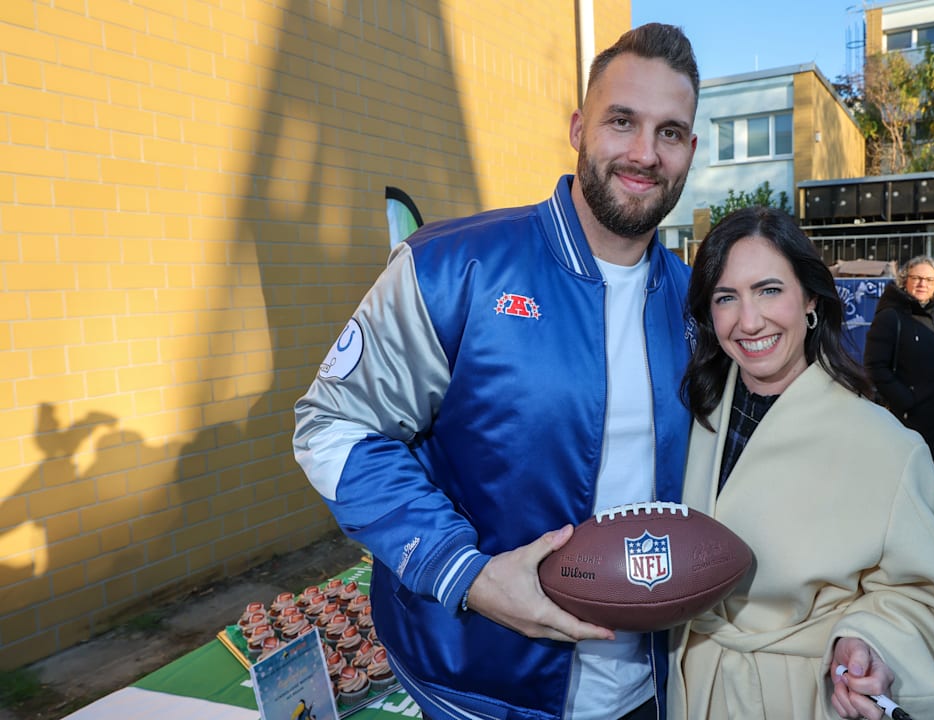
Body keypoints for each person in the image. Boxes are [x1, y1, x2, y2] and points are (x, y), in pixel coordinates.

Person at [293, 24, 700, 720]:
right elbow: (331, 426)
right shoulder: (454, 267)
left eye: (669, 132)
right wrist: (468, 574)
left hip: (654, 693)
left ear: (690, 150)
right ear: (578, 127)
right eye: (622, 121)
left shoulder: (699, 307)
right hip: (479, 693)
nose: (643, 153)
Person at [668, 207, 934, 720]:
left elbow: (932, 601)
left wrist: (867, 640)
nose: (748, 320)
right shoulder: (688, 421)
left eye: (769, 290)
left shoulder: (885, 446)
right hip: (686, 689)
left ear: (811, 301)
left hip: (798, 699)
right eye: (726, 297)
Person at [864, 255, 934, 483]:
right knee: (910, 485)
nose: (922, 284)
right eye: (916, 278)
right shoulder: (890, 317)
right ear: (904, 281)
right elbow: (875, 366)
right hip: (909, 421)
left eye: (929, 280)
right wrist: (906, 401)